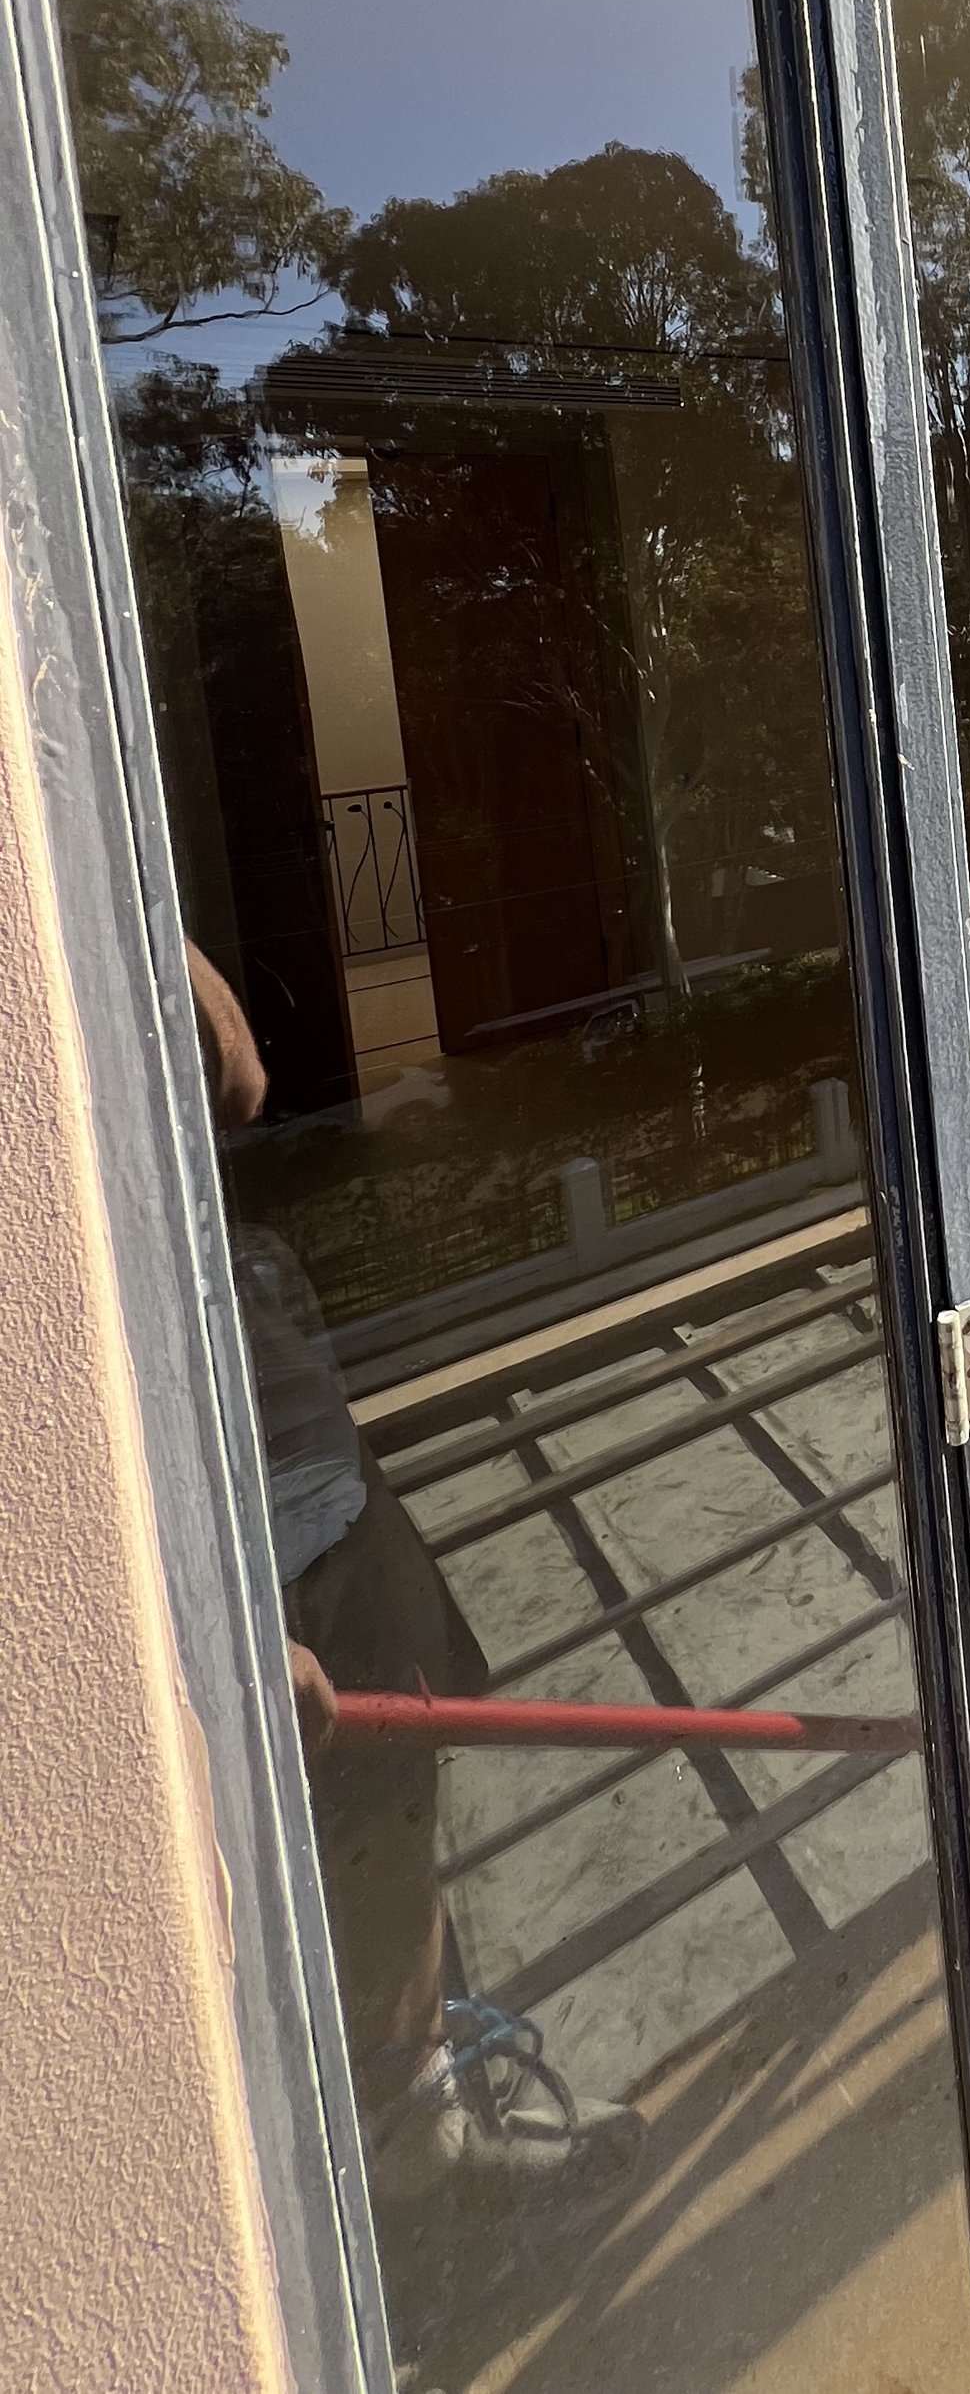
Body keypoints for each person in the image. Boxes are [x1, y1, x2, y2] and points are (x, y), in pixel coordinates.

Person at [186, 944, 644, 2212]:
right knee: (334, 1848)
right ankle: (411, 2143)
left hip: (301, 1486)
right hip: (255, 1549)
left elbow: (234, 1078)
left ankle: (420, 2086)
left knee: (394, 1821)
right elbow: (239, 1070)